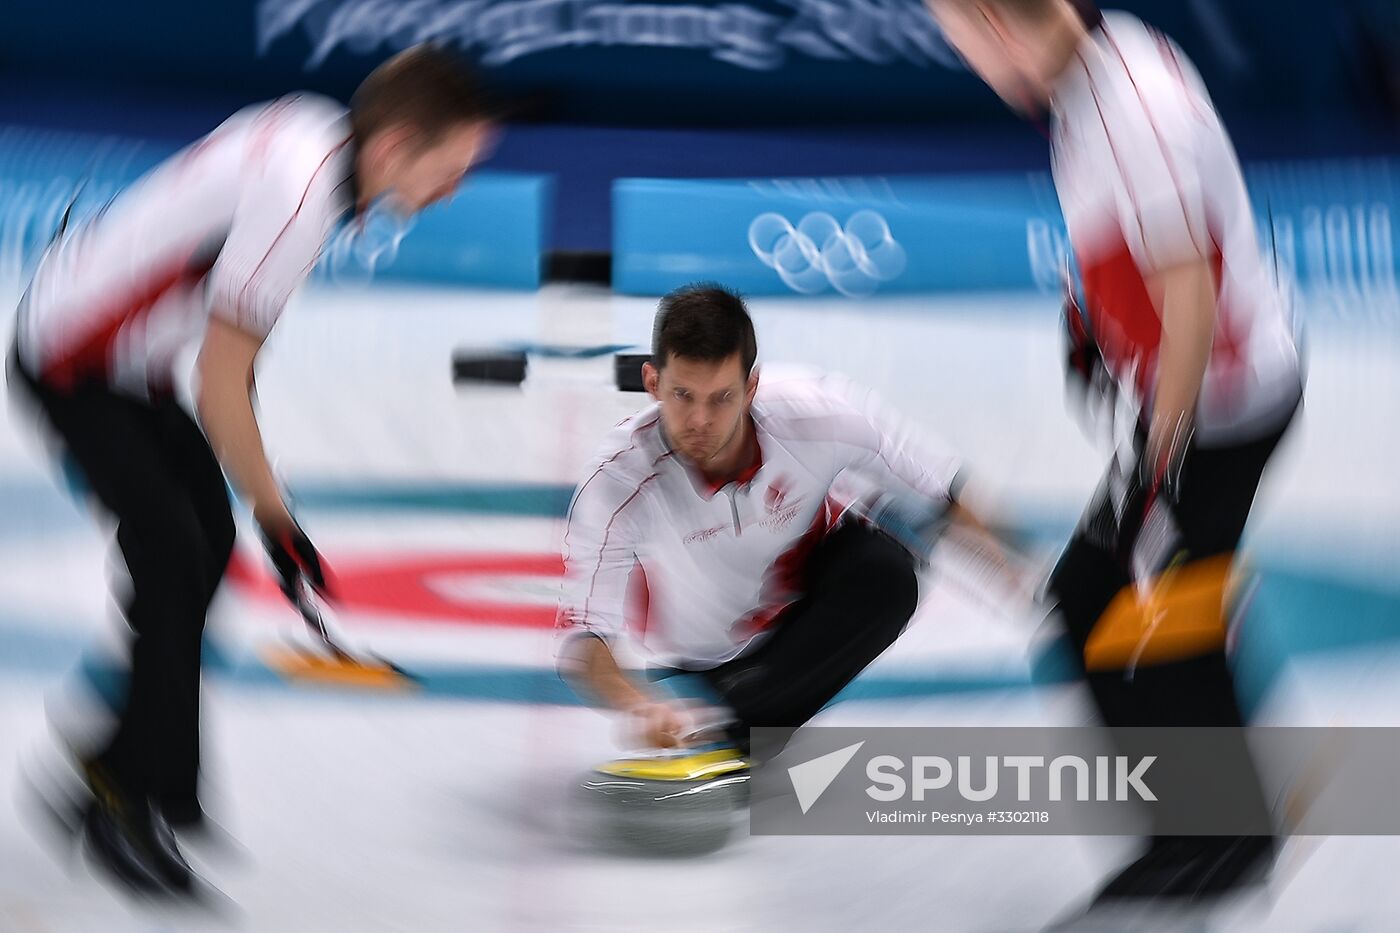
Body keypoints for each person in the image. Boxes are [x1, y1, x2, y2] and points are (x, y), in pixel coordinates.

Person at [8, 45, 498, 896]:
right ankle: (127, 793)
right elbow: (222, 378)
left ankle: (125, 767)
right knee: (173, 554)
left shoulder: (321, 133)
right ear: (394, 147)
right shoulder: (305, 198)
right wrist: (279, 516)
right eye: (450, 168)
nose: (454, 191)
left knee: (197, 543)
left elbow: (225, 355)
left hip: (125, 358)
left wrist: (262, 508)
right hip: (73, 362)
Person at [923, 0, 1304, 905]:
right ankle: (1197, 832)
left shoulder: (1134, 109)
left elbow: (1192, 298)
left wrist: (1160, 471)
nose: (966, 60)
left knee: (1141, 617)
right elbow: (1129, 233)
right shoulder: (1085, 72)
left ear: (997, 25)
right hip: (1187, 403)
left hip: (1218, 410)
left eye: (959, 38)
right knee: (1099, 599)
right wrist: (1090, 323)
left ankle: (1222, 843)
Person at [556, 283, 994, 760]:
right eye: (683, 395)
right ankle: (727, 719)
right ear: (652, 382)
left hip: (800, 616)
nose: (700, 420)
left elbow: (944, 484)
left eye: (721, 397)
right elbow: (585, 637)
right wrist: (639, 706)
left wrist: (1023, 573)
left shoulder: (816, 412)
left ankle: (732, 728)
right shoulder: (618, 480)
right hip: (700, 660)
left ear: (751, 388)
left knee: (889, 576)